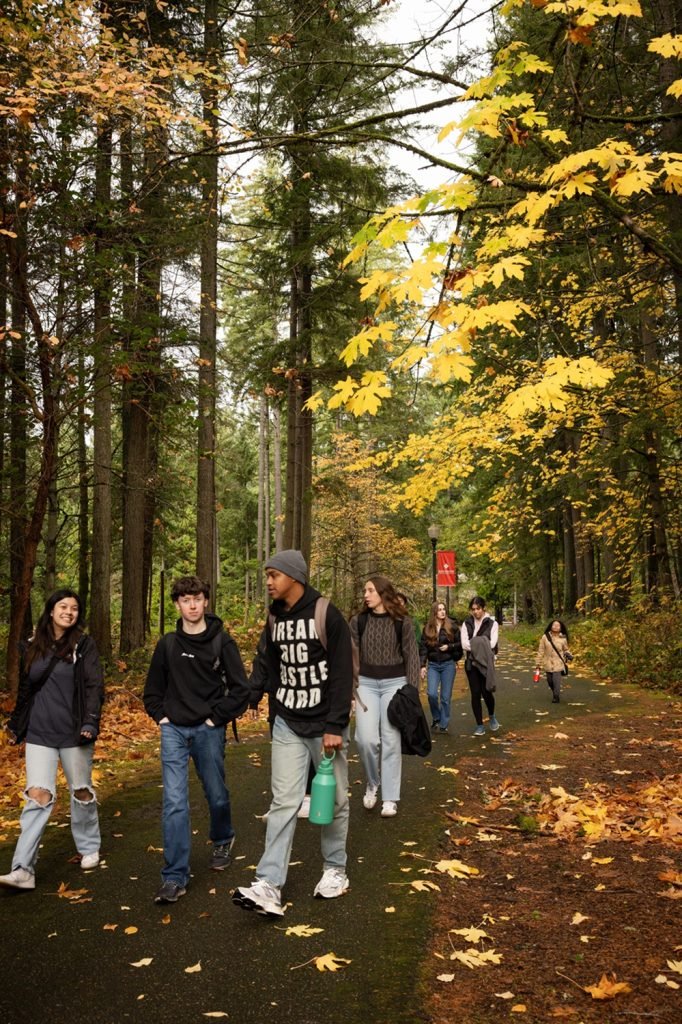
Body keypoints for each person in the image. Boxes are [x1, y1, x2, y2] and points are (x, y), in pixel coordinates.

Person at [233, 550, 353, 919]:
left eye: (273, 575)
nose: (268, 581)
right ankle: (269, 884)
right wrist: (251, 696)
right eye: (267, 575)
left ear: (294, 576)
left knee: (333, 801)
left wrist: (335, 725)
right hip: (287, 720)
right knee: (284, 802)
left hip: (324, 725)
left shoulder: (326, 614)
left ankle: (335, 869)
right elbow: (266, 662)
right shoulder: (274, 616)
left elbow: (342, 671)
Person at [143, 575, 250, 905]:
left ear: (206, 602)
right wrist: (161, 716)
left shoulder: (221, 641)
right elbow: (152, 690)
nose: (191, 605)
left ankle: (222, 838)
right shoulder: (168, 644)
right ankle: (175, 876)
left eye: (197, 599)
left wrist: (214, 718)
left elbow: (241, 690)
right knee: (175, 801)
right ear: (177, 604)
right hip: (173, 730)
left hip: (208, 729)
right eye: (185, 600)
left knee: (215, 793)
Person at [0, 589, 104, 891]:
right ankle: (22, 869)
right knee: (38, 795)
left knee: (81, 792)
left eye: (74, 608)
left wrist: (90, 722)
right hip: (40, 733)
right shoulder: (32, 646)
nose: (68, 612)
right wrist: (17, 726)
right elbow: (26, 691)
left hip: (74, 732)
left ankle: (88, 847)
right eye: (63, 606)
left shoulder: (83, 645)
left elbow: (94, 685)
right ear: (51, 610)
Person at [351, 575, 421, 818]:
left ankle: (390, 797)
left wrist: (411, 691)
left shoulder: (403, 622)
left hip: (395, 684)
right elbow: (351, 657)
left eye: (370, 590)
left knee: (391, 740)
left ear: (383, 593)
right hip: (366, 685)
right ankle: (373, 782)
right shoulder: (358, 621)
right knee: (365, 739)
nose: (366, 595)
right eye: (364, 591)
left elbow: (412, 656)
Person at [419, 601, 462, 733]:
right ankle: (437, 717)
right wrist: (422, 665)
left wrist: (449, 647)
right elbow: (423, 648)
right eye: (439, 610)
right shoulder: (427, 628)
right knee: (431, 694)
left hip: (448, 664)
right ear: (434, 613)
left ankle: (444, 723)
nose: (443, 612)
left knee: (445, 697)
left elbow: (461, 643)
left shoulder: (452, 626)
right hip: (433, 665)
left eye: (444, 609)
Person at [461, 596, 500, 737]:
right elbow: (464, 644)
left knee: (487, 692)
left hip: (486, 663)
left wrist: (475, 643)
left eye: (478, 608)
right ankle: (479, 725)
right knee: (475, 693)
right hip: (471, 663)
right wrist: (481, 641)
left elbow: (492, 644)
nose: (476, 612)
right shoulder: (467, 623)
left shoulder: (492, 624)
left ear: (484, 608)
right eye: (473, 609)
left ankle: (492, 716)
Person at [535, 619, 572, 703]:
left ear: (560, 627)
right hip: (548, 663)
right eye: (554, 625)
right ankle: (555, 692)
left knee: (556, 681)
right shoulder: (545, 637)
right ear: (551, 626)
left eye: (558, 625)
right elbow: (541, 650)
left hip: (558, 663)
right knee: (550, 681)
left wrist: (569, 654)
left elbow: (566, 649)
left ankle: (556, 696)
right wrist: (538, 663)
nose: (555, 627)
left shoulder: (563, 637)